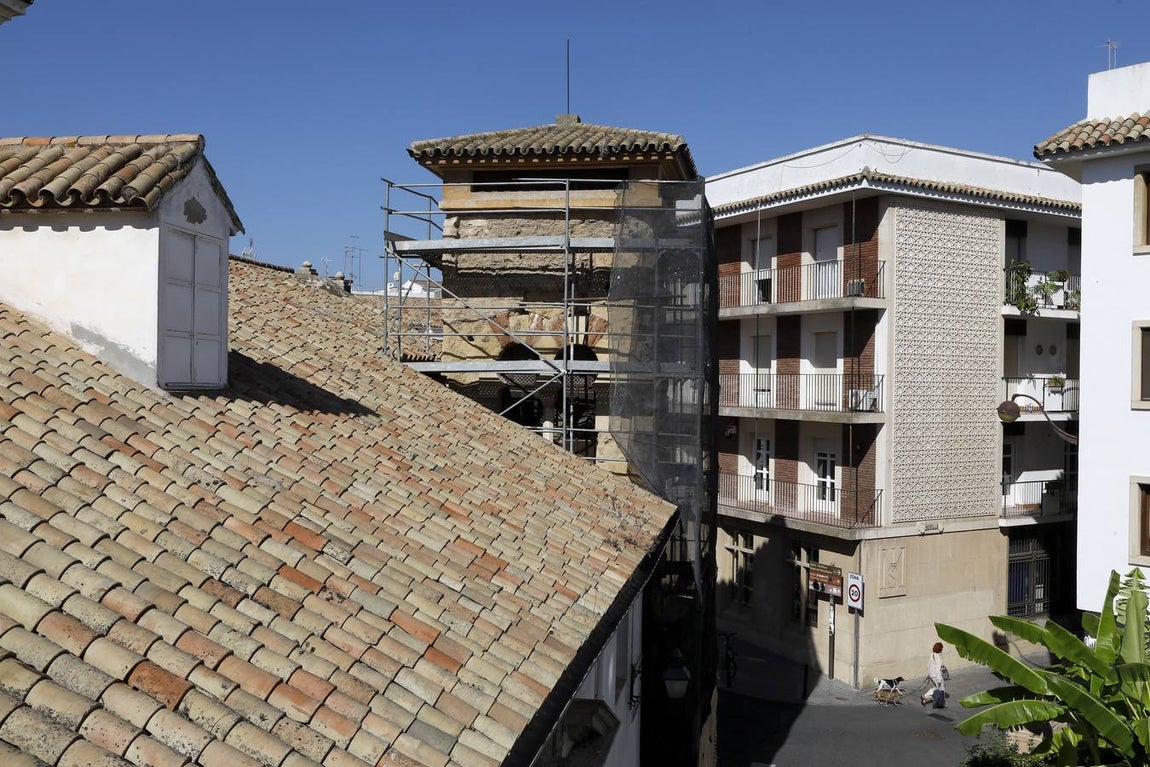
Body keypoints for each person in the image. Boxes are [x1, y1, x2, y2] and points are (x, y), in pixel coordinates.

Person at [921, 641, 946, 708]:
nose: (942, 649)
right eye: (942, 648)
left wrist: (930, 674)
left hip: (932, 675)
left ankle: (925, 697)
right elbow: (938, 669)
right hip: (936, 676)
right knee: (942, 689)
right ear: (940, 649)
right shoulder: (938, 658)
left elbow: (928, 665)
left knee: (935, 688)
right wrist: (939, 680)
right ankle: (941, 704)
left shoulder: (932, 655)